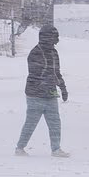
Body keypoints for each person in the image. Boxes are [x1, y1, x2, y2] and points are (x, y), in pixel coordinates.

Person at [14, 25, 71, 157]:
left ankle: (56, 149)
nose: (56, 40)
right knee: (31, 122)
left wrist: (63, 88)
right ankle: (20, 148)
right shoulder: (35, 53)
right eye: (54, 37)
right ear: (47, 38)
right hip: (35, 94)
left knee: (55, 123)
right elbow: (36, 74)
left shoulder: (54, 53)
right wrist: (44, 84)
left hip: (50, 93)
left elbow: (56, 72)